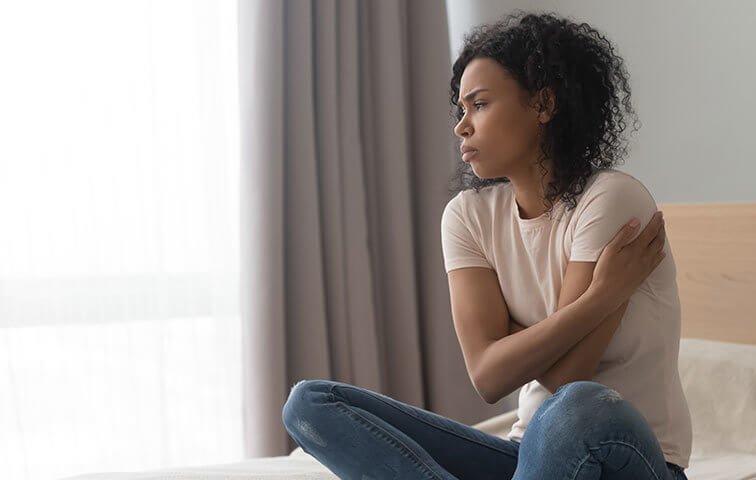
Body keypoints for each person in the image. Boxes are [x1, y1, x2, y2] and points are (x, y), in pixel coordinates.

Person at [282, 10, 691, 480]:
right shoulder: (467, 216)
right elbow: (488, 376)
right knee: (310, 404)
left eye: (479, 104)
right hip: (527, 459)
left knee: (578, 406)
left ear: (542, 104)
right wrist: (604, 295)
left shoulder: (612, 199)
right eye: (461, 109)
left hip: (630, 457)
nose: (461, 126)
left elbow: (564, 378)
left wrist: (509, 339)